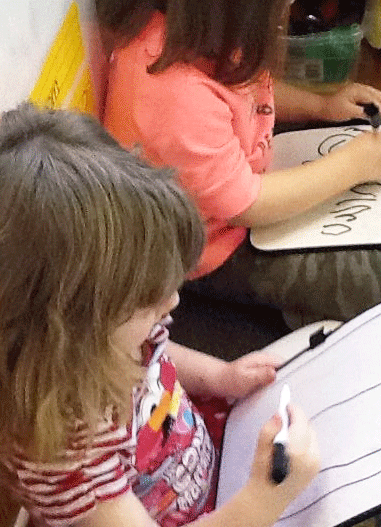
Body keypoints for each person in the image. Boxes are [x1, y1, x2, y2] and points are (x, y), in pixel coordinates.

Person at [0, 103, 321, 527]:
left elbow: (160, 354)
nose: (171, 302)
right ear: (69, 331)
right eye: (148, 299)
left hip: (190, 478)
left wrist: (220, 377)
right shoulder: (65, 449)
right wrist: (261, 500)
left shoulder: (111, 335)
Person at [96, 0, 381, 326]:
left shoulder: (201, 31)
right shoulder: (173, 93)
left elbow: (247, 94)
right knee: (368, 275)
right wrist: (357, 164)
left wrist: (320, 104)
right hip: (218, 248)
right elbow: (246, 204)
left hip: (236, 196)